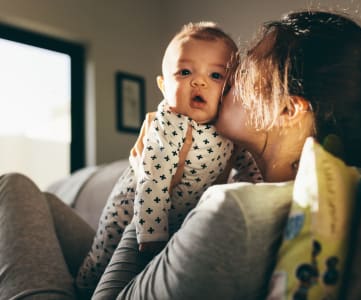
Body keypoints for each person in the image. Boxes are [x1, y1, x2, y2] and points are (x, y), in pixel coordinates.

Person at [1, 9, 361, 300]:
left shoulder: (233, 215)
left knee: (11, 186)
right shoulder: (264, 184)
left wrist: (151, 179)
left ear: (289, 109)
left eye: (244, 68)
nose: (228, 76)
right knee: (44, 204)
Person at [76, 21, 262, 297]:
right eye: (185, 72)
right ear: (163, 86)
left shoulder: (227, 129)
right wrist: (151, 234)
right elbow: (154, 177)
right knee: (100, 260)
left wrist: (257, 190)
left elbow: (247, 166)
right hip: (132, 213)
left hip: (174, 221)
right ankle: (80, 286)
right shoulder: (169, 122)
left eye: (215, 75)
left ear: (232, 86)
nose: (198, 81)